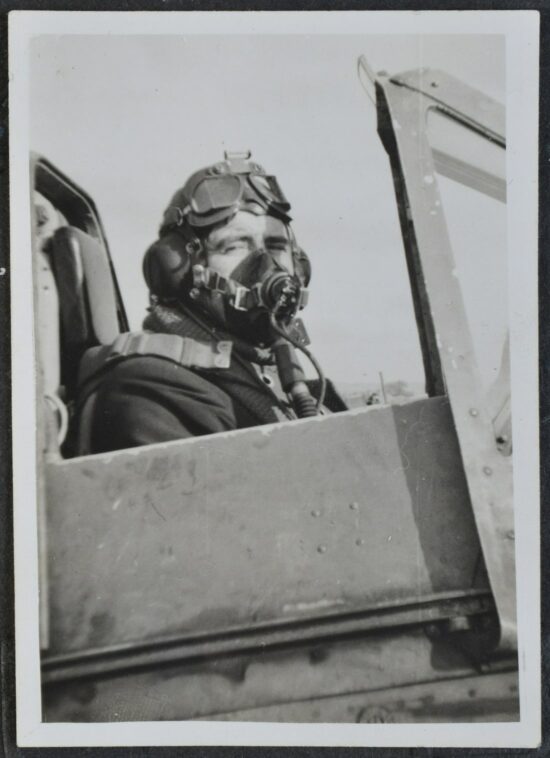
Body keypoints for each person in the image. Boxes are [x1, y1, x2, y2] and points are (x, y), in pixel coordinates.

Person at [73, 152, 346, 455]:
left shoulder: (287, 384)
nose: (267, 265)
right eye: (235, 246)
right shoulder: (151, 390)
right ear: (182, 272)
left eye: (276, 246)